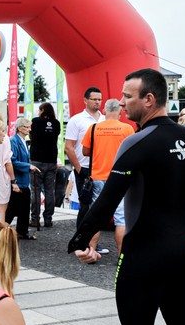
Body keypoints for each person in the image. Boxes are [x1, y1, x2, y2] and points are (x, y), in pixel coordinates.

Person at [68, 68, 185, 325]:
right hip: (182, 253)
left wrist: (79, 241)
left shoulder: (137, 143)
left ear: (149, 100)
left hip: (143, 256)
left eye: (128, 96)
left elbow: (106, 200)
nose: (121, 103)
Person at [80, 98, 135, 253]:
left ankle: (90, 251)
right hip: (119, 178)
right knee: (121, 219)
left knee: (95, 216)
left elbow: (85, 152)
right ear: (120, 111)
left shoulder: (94, 128)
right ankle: (121, 255)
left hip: (97, 176)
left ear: (104, 110)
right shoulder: (127, 129)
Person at [65, 87, 105, 229]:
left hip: (102, 168)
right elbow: (68, 147)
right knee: (85, 205)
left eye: (99, 99)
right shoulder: (76, 120)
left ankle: (93, 243)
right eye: (94, 99)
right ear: (85, 100)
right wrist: (78, 168)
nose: (97, 102)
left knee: (99, 206)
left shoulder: (105, 119)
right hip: (84, 168)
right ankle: (81, 241)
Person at [29, 103, 61, 229]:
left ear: (42, 110)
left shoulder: (35, 122)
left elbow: (31, 136)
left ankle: (35, 219)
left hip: (36, 160)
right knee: (49, 191)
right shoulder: (57, 123)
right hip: (51, 160)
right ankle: (48, 219)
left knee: (35, 191)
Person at [6, 117, 37, 240]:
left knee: (24, 207)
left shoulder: (22, 141)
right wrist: (28, 166)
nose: (30, 129)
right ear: (20, 128)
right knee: (14, 208)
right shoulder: (14, 141)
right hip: (18, 179)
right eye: (27, 127)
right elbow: (12, 161)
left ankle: (21, 231)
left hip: (23, 179)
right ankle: (5, 230)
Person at [0, 112, 19, 222]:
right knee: (1, 209)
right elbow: (7, 162)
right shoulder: (5, 138)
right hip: (1, 177)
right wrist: (13, 180)